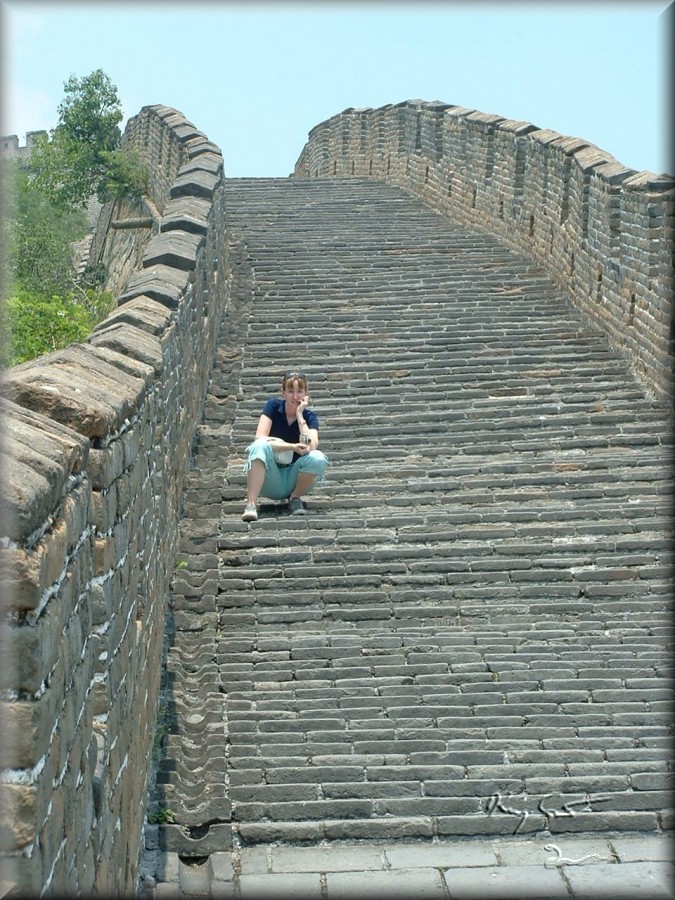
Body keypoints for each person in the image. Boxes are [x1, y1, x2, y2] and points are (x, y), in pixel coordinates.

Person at [242, 372, 328, 522]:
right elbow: (259, 438)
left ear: (306, 394)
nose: (295, 396)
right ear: (283, 393)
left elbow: (312, 446)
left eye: (299, 391)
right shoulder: (273, 407)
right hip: (270, 477)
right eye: (290, 391)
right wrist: (291, 447)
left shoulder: (310, 417)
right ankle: (251, 505)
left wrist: (300, 416)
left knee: (318, 458)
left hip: (293, 479)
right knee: (259, 446)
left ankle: (295, 498)